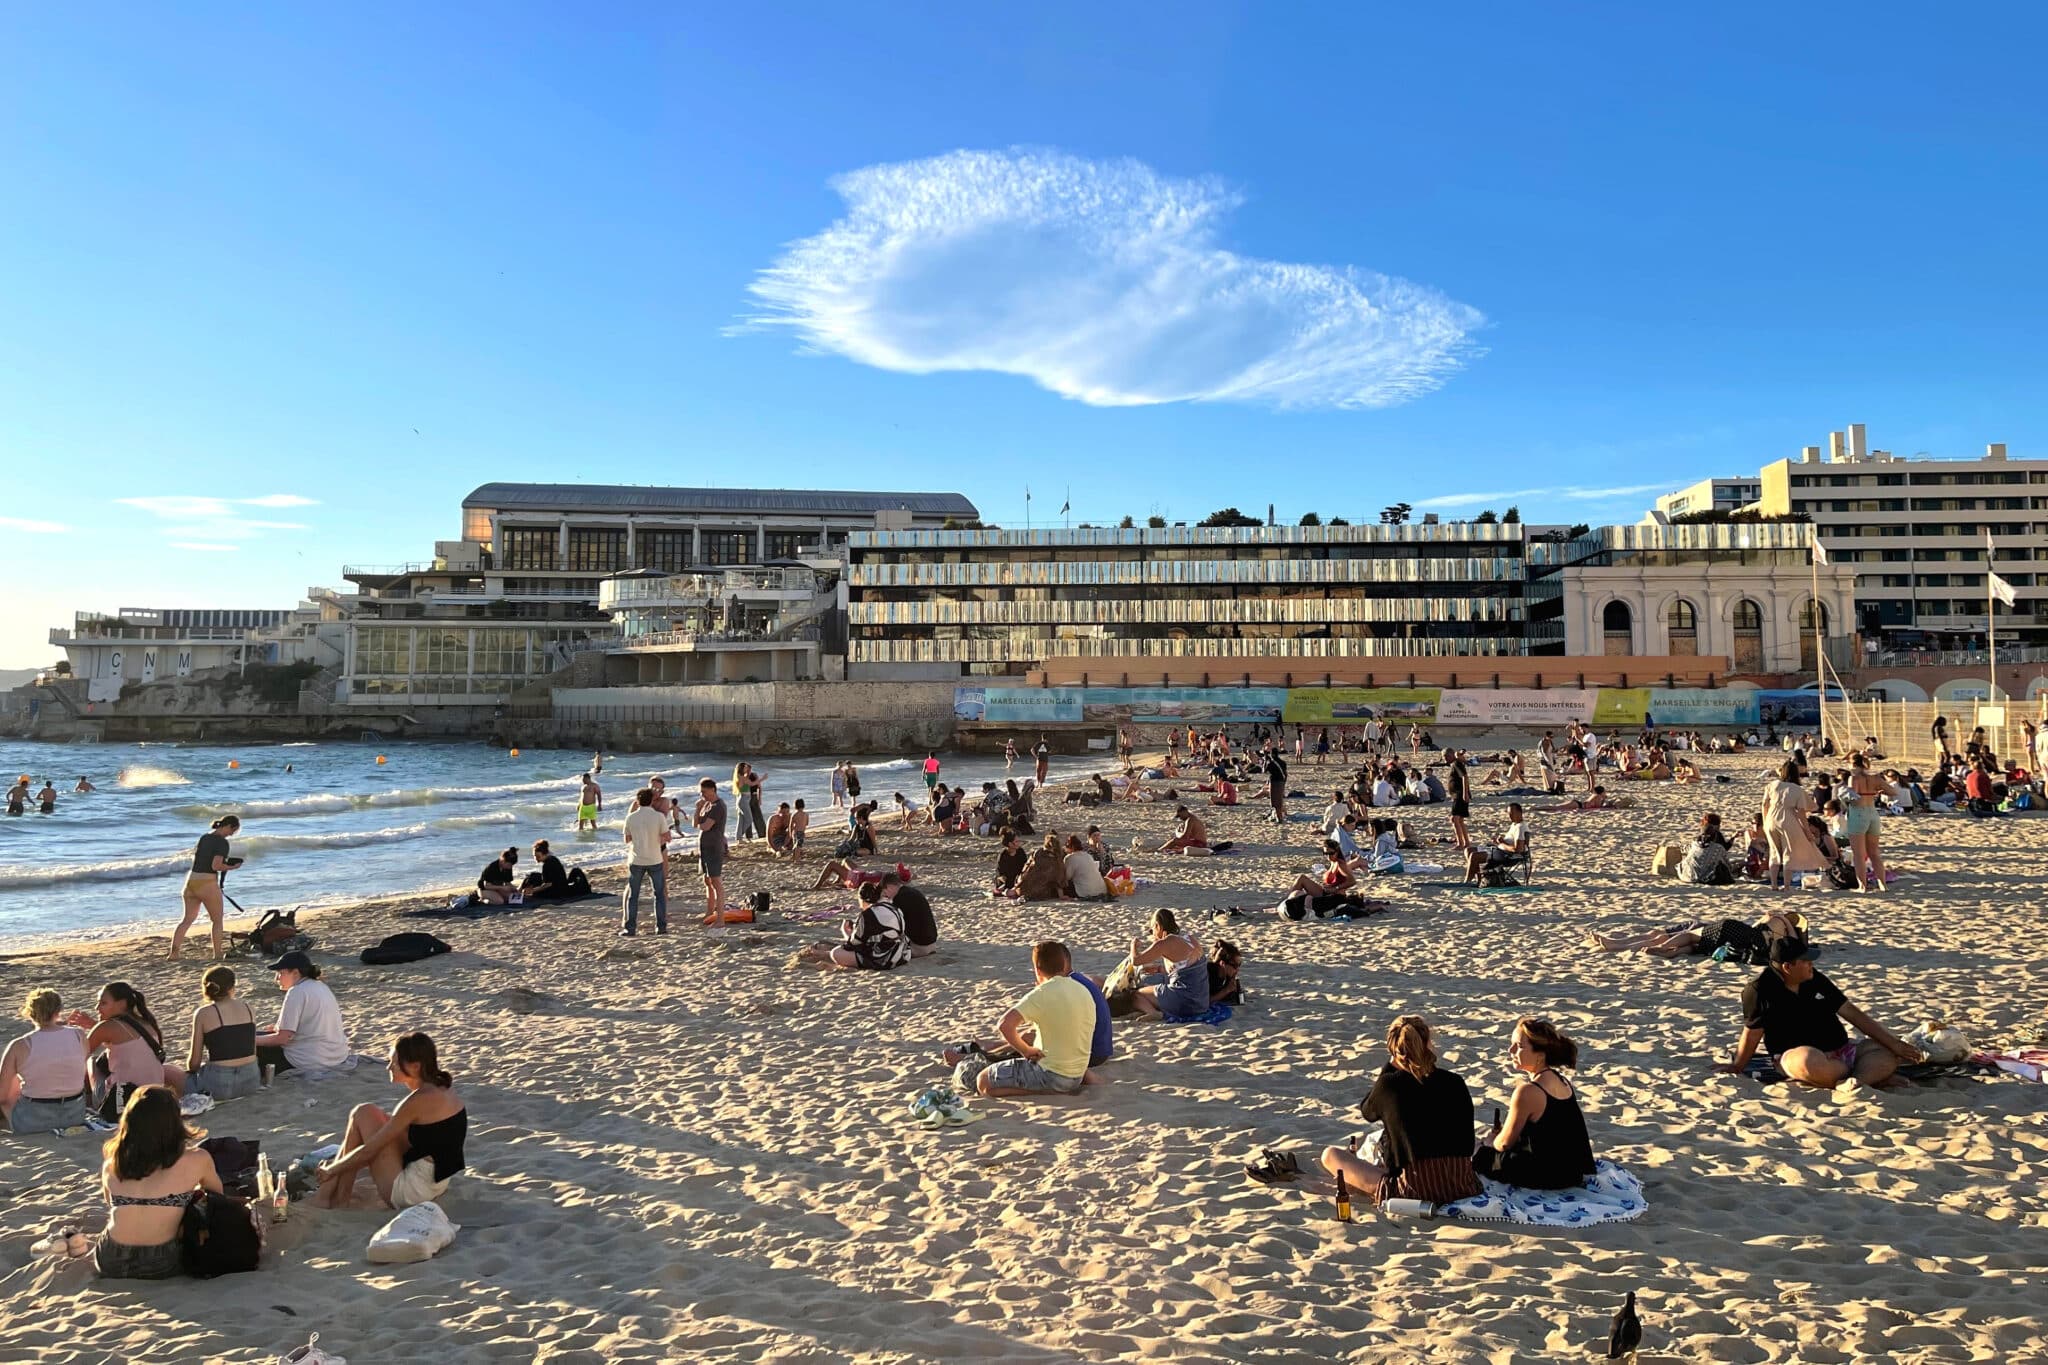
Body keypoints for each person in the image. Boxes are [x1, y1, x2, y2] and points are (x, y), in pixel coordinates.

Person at [1716, 938, 1924, 1089]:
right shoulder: (1759, 990)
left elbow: (1851, 1012)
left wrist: (1893, 1043)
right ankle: (1869, 1078)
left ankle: (1858, 1081)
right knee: (1809, 1061)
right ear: (1788, 967)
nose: (1811, 965)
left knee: (1886, 1051)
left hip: (1843, 1051)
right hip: (1796, 1056)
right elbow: (1752, 1032)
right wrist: (1737, 1066)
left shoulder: (1814, 978)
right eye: (1805, 961)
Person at [1322, 1015, 1483, 1206]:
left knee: (1330, 1155)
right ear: (1427, 1044)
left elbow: (1368, 1111)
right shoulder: (1455, 1081)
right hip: (1462, 1185)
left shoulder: (1389, 1084)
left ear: (1394, 1049)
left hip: (1414, 1190)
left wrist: (1390, 1067)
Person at [313, 1032, 466, 1209]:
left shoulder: (417, 1101)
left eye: (394, 1062)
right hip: (437, 1182)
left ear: (415, 1066)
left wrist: (332, 1169)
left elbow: (369, 1151)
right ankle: (331, 1191)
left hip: (411, 1192)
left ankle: (335, 1197)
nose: (389, 1068)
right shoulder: (444, 1088)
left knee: (361, 1115)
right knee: (370, 1113)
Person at [95, 1086, 221, 1279]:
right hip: (161, 1261)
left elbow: (110, 1202)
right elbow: (217, 1199)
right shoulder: (197, 1159)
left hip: (110, 1258)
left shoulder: (112, 1164)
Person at [949, 941, 1098, 1097]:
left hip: (1051, 1074)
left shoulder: (1043, 992)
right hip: (1077, 1074)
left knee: (983, 1081)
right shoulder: (1083, 991)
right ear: (1065, 965)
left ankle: (1039, 1091)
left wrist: (1025, 1051)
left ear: (1037, 970)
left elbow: (1004, 1025)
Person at [1474, 1018, 1596, 1189]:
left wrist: (1490, 1142)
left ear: (1540, 1055)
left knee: (1478, 1151)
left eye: (1519, 1046)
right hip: (1572, 1173)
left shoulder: (1528, 1091)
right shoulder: (1562, 1081)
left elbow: (1503, 1144)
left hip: (1545, 1175)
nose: (1511, 1050)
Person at [71, 982, 181, 1113]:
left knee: (91, 1061)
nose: (97, 1008)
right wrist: (93, 1025)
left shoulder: (106, 1027)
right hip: (154, 1099)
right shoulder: (146, 1023)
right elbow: (124, 1040)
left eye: (103, 1003)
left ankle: (89, 1102)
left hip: (122, 1102)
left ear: (122, 1004)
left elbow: (77, 1055)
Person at [1, 989, 89, 1133]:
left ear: (30, 1013)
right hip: (74, 1115)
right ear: (58, 1011)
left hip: (33, 1120)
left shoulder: (20, 1045)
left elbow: (2, 1096)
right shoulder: (79, 1035)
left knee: (12, 1081)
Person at [255, 951, 350, 1076]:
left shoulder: (297, 991)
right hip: (336, 1056)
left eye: (281, 973)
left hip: (307, 1060)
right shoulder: (320, 986)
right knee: (258, 1035)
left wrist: (249, 1041)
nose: (277, 978)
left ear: (295, 972)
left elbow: (282, 1038)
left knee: (243, 1046)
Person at [172, 814, 242, 962]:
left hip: (191, 880)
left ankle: (174, 953)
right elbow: (215, 865)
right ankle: (217, 954)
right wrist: (232, 866)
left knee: (186, 920)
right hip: (207, 882)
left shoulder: (205, 837)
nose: (232, 834)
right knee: (217, 920)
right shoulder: (222, 843)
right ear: (229, 826)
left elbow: (202, 858)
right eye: (233, 831)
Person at [184, 966, 259, 1101]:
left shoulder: (203, 1013)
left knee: (172, 1074)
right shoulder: (249, 1008)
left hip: (220, 1085)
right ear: (232, 987)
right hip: (251, 1080)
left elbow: (194, 1063)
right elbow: (252, 1050)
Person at [798, 882, 911, 970]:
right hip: (902, 952)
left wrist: (845, 932)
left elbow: (853, 945)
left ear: (862, 899)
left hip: (885, 958)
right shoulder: (892, 906)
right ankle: (823, 953)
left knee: (836, 953)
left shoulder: (868, 915)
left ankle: (824, 954)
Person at [1131, 909, 1210, 1020]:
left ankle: (1154, 1013)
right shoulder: (1190, 939)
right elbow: (1187, 970)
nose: (1152, 933)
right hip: (1201, 1003)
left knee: (1136, 995)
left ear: (1158, 926)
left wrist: (1133, 945)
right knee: (1155, 987)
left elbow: (1136, 960)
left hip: (1184, 1003)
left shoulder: (1165, 943)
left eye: (1151, 930)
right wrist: (1159, 969)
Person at [1761, 760, 1824, 889]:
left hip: (1771, 818)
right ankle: (1787, 886)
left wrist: (1765, 821)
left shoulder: (1772, 785)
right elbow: (1802, 813)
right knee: (1788, 853)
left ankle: (1773, 885)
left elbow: (1764, 805)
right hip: (1788, 819)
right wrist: (1807, 831)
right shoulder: (1797, 790)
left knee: (1774, 852)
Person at [621, 787, 669, 936]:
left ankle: (630, 928)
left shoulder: (631, 817)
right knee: (658, 894)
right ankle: (660, 926)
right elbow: (667, 837)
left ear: (637, 801)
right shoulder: (659, 816)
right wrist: (655, 841)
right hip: (655, 858)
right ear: (652, 801)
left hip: (636, 859)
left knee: (633, 895)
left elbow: (627, 839)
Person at [1843, 752, 1889, 892]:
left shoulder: (1853, 778)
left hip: (1858, 814)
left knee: (1859, 854)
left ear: (1852, 764)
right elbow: (1892, 791)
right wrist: (1876, 792)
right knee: (1874, 853)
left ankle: (1862, 886)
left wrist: (1844, 797)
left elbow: (1853, 796)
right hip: (1873, 813)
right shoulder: (1873, 778)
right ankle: (1883, 885)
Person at [694, 778, 729, 928]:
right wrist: (698, 809)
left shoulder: (718, 806)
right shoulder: (707, 805)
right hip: (705, 847)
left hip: (714, 847)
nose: (702, 795)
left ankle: (720, 919)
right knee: (707, 881)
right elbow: (695, 823)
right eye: (701, 792)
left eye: (704, 792)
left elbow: (705, 826)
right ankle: (710, 912)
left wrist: (700, 820)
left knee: (716, 882)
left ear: (713, 790)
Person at [1463, 804, 1528, 883]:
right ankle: (1479, 880)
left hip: (1507, 856)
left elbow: (1517, 849)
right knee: (1468, 850)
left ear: (1519, 812)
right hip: (1501, 850)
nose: (1510, 816)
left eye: (1512, 813)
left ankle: (1467, 881)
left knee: (1474, 856)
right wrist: (1500, 842)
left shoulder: (1520, 827)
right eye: (1509, 814)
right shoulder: (1515, 824)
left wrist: (1502, 844)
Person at [881, 871, 937, 958]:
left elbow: (895, 927)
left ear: (889, 887)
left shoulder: (899, 898)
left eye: (885, 893)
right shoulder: (914, 892)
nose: (887, 897)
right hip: (932, 944)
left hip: (919, 947)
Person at [522, 838, 591, 900]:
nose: (536, 858)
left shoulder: (547, 864)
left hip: (557, 893)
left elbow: (547, 885)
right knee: (534, 875)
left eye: (538, 856)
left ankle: (520, 893)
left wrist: (533, 890)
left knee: (536, 887)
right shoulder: (553, 858)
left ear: (545, 854)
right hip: (561, 887)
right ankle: (519, 891)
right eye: (535, 856)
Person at [1286, 840, 1357, 900]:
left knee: (1302, 879)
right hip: (1326, 892)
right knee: (1300, 886)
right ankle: (1286, 902)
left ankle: (1285, 902)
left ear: (1337, 852)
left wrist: (1335, 888)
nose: (1328, 856)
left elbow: (1352, 881)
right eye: (1326, 853)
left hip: (1333, 896)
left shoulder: (1340, 864)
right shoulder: (1333, 862)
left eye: (1331, 853)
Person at [1677, 812, 1735, 886]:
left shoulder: (1695, 843)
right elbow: (1728, 864)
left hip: (1686, 876)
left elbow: (1684, 849)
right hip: (1703, 878)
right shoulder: (1718, 846)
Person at [1015, 834, 1069, 901]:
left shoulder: (1037, 853)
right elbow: (1059, 880)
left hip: (1022, 889)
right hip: (1040, 893)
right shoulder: (1056, 860)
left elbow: (1026, 868)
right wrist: (1061, 895)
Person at [1063, 834, 1109, 900]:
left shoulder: (1070, 857)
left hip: (1084, 892)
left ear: (1071, 847)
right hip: (1102, 890)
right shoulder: (1088, 855)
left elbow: (1067, 877)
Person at [991, 829, 1029, 896]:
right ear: (1010, 844)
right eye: (1016, 841)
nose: (1018, 843)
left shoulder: (1020, 852)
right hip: (1007, 879)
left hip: (1019, 877)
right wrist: (1002, 879)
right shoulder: (1003, 855)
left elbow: (1025, 865)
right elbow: (1000, 872)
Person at [1207, 939, 1245, 1007]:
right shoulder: (1206, 975)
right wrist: (1226, 990)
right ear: (1222, 963)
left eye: (1239, 965)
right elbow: (1202, 1002)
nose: (1237, 969)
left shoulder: (1225, 976)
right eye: (1235, 966)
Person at [1446, 753, 1471, 850]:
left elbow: (1465, 777)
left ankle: (1461, 843)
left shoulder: (1456, 764)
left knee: (1455, 819)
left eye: (1445, 757)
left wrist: (1465, 793)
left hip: (1460, 795)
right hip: (1457, 795)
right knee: (1459, 820)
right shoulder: (1456, 763)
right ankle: (1466, 842)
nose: (1445, 759)